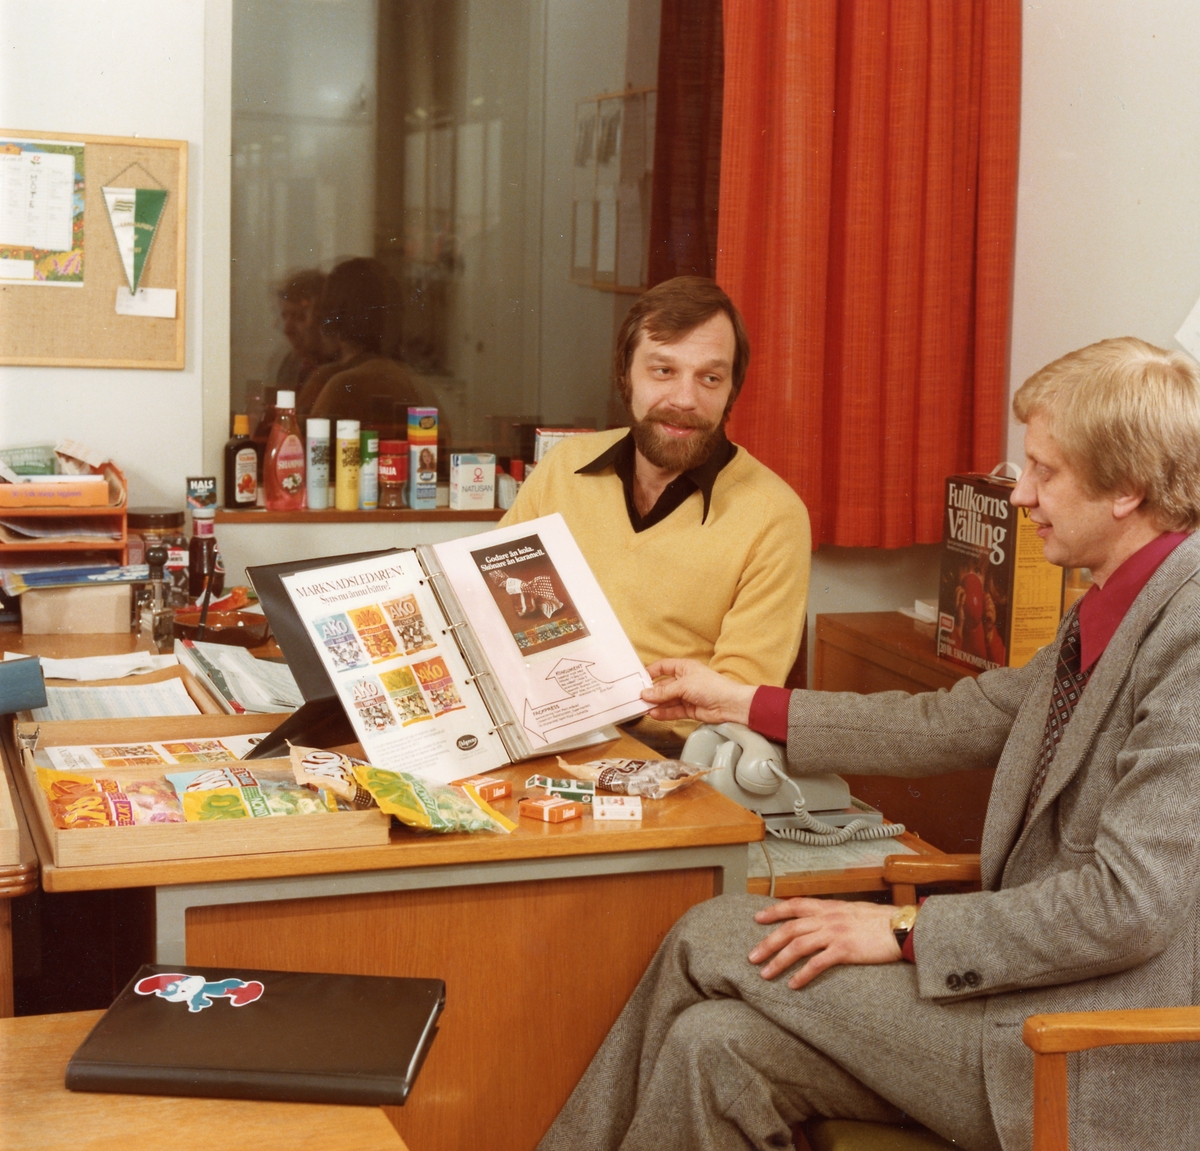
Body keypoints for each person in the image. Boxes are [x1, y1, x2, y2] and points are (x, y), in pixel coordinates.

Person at [537, 336, 1200, 1151]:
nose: (1022, 493)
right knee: (712, 1044)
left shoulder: (1190, 633)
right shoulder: (1112, 605)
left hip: (1082, 1057)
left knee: (708, 934)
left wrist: (903, 931)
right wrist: (738, 698)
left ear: (1128, 489)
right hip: (1016, 1002)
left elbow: (1126, 908)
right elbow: (951, 721)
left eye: (1045, 471)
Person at [500, 277, 811, 740]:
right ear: (625, 375)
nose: (685, 399)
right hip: (537, 724)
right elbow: (493, 599)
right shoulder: (564, 466)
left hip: (673, 751)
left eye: (710, 378)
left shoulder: (775, 516)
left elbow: (734, 702)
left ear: (732, 390)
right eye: (663, 370)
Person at [303, 257, 427, 431]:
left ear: (337, 313)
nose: (312, 322)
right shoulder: (410, 379)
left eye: (323, 309)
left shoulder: (344, 385)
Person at [272, 268, 331, 396]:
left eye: (299, 317)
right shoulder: (290, 365)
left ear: (322, 320)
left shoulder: (338, 374)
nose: (287, 330)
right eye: (284, 316)